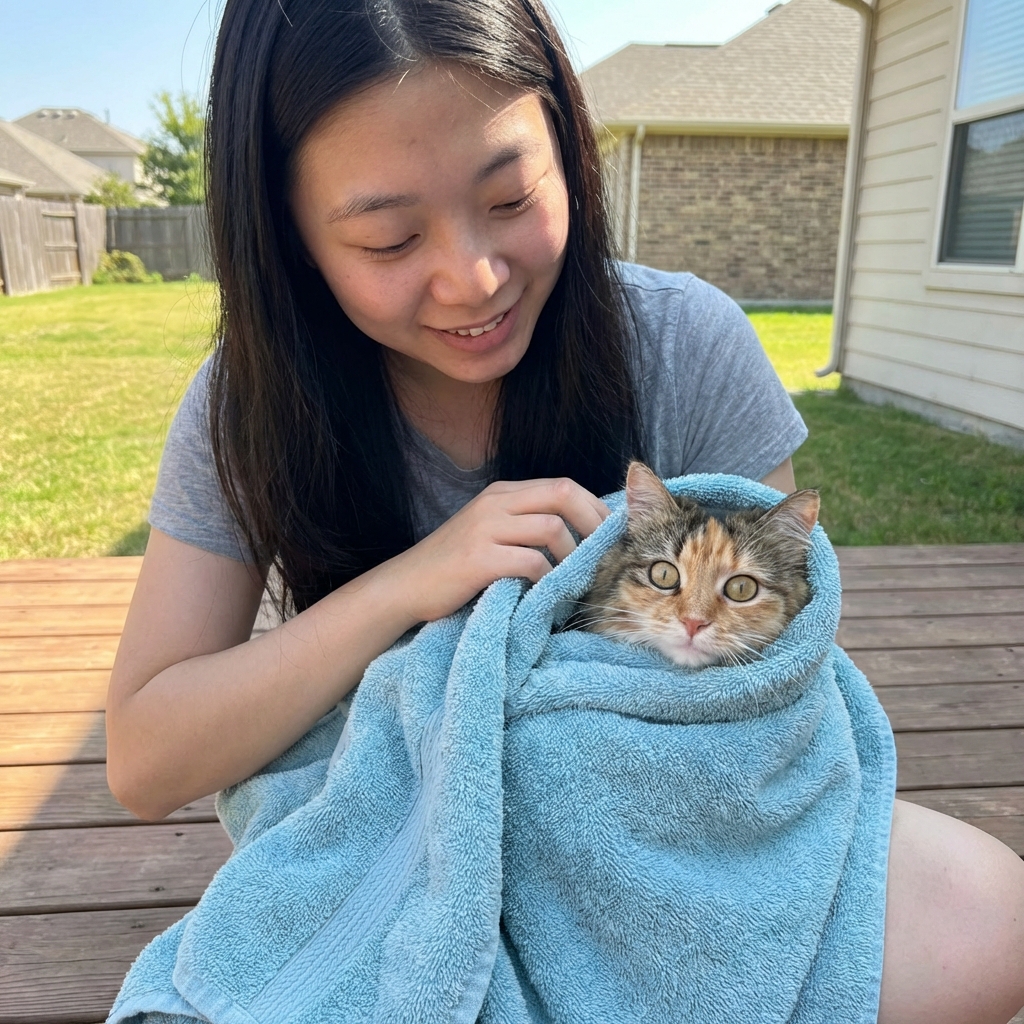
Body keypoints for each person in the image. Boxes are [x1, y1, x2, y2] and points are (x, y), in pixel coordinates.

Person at [105, 1, 1024, 1020]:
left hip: (662, 827)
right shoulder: (252, 400)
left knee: (990, 917)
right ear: (289, 238)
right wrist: (412, 585)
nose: (475, 277)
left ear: (566, 147)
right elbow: (148, 759)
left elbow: (773, 684)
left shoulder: (684, 344)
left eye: (508, 200)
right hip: (401, 829)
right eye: (389, 236)